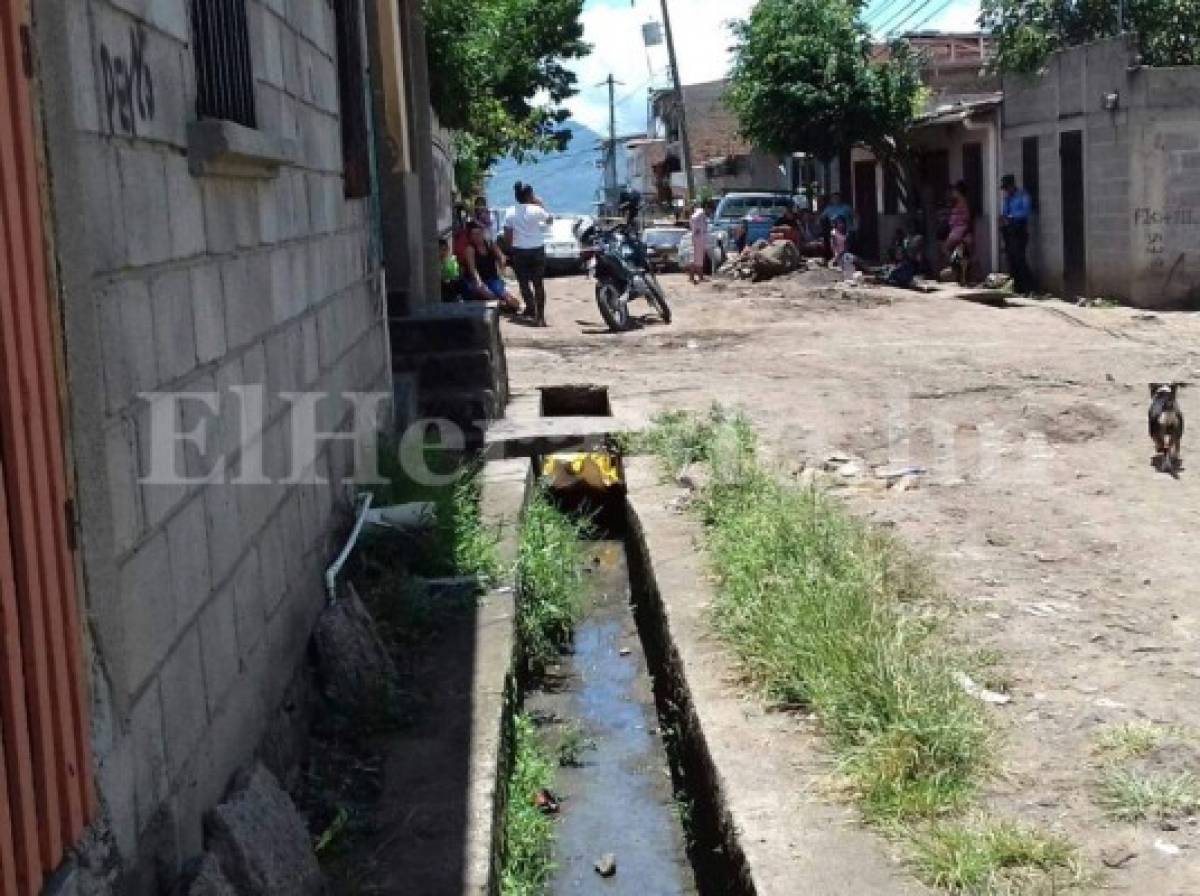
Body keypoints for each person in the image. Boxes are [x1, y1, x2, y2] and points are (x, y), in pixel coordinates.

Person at [509, 181, 552, 325]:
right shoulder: (536, 210)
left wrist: (511, 248)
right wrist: (541, 205)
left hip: (520, 250)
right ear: (529, 195)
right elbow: (549, 221)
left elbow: (508, 233)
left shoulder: (511, 212)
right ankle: (540, 316)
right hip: (537, 249)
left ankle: (530, 307)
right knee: (538, 283)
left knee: (523, 283)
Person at [463, 221, 521, 312]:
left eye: (478, 233)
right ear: (470, 236)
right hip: (476, 280)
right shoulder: (470, 249)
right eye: (473, 234)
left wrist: (502, 262)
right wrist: (479, 283)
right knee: (488, 294)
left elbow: (501, 256)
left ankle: (505, 305)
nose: (476, 236)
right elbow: (472, 269)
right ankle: (501, 305)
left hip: (492, 278)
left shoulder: (490, 244)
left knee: (512, 302)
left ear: (482, 233)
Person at [1000, 174, 1035, 295]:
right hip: (1009, 231)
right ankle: (1017, 288)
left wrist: (1012, 217)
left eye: (1007, 188)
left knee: (1020, 259)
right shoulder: (1007, 199)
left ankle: (1029, 287)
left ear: (1012, 185)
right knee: (1011, 260)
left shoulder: (1022, 196)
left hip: (1019, 229)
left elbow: (1025, 212)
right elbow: (1004, 212)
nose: (1006, 191)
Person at [942, 180, 974, 284]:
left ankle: (957, 272)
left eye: (955, 190)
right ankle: (959, 273)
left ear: (959, 191)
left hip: (959, 232)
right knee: (960, 255)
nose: (953, 192)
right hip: (957, 232)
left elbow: (967, 219)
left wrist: (965, 233)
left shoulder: (963, 203)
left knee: (947, 250)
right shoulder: (957, 203)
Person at [689, 199, 712, 284]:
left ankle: (692, 276)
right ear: (706, 207)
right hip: (698, 238)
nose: (710, 211)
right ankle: (699, 276)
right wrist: (696, 230)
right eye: (710, 209)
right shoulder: (700, 213)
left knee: (696, 258)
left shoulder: (702, 214)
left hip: (699, 238)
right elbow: (693, 219)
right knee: (698, 258)